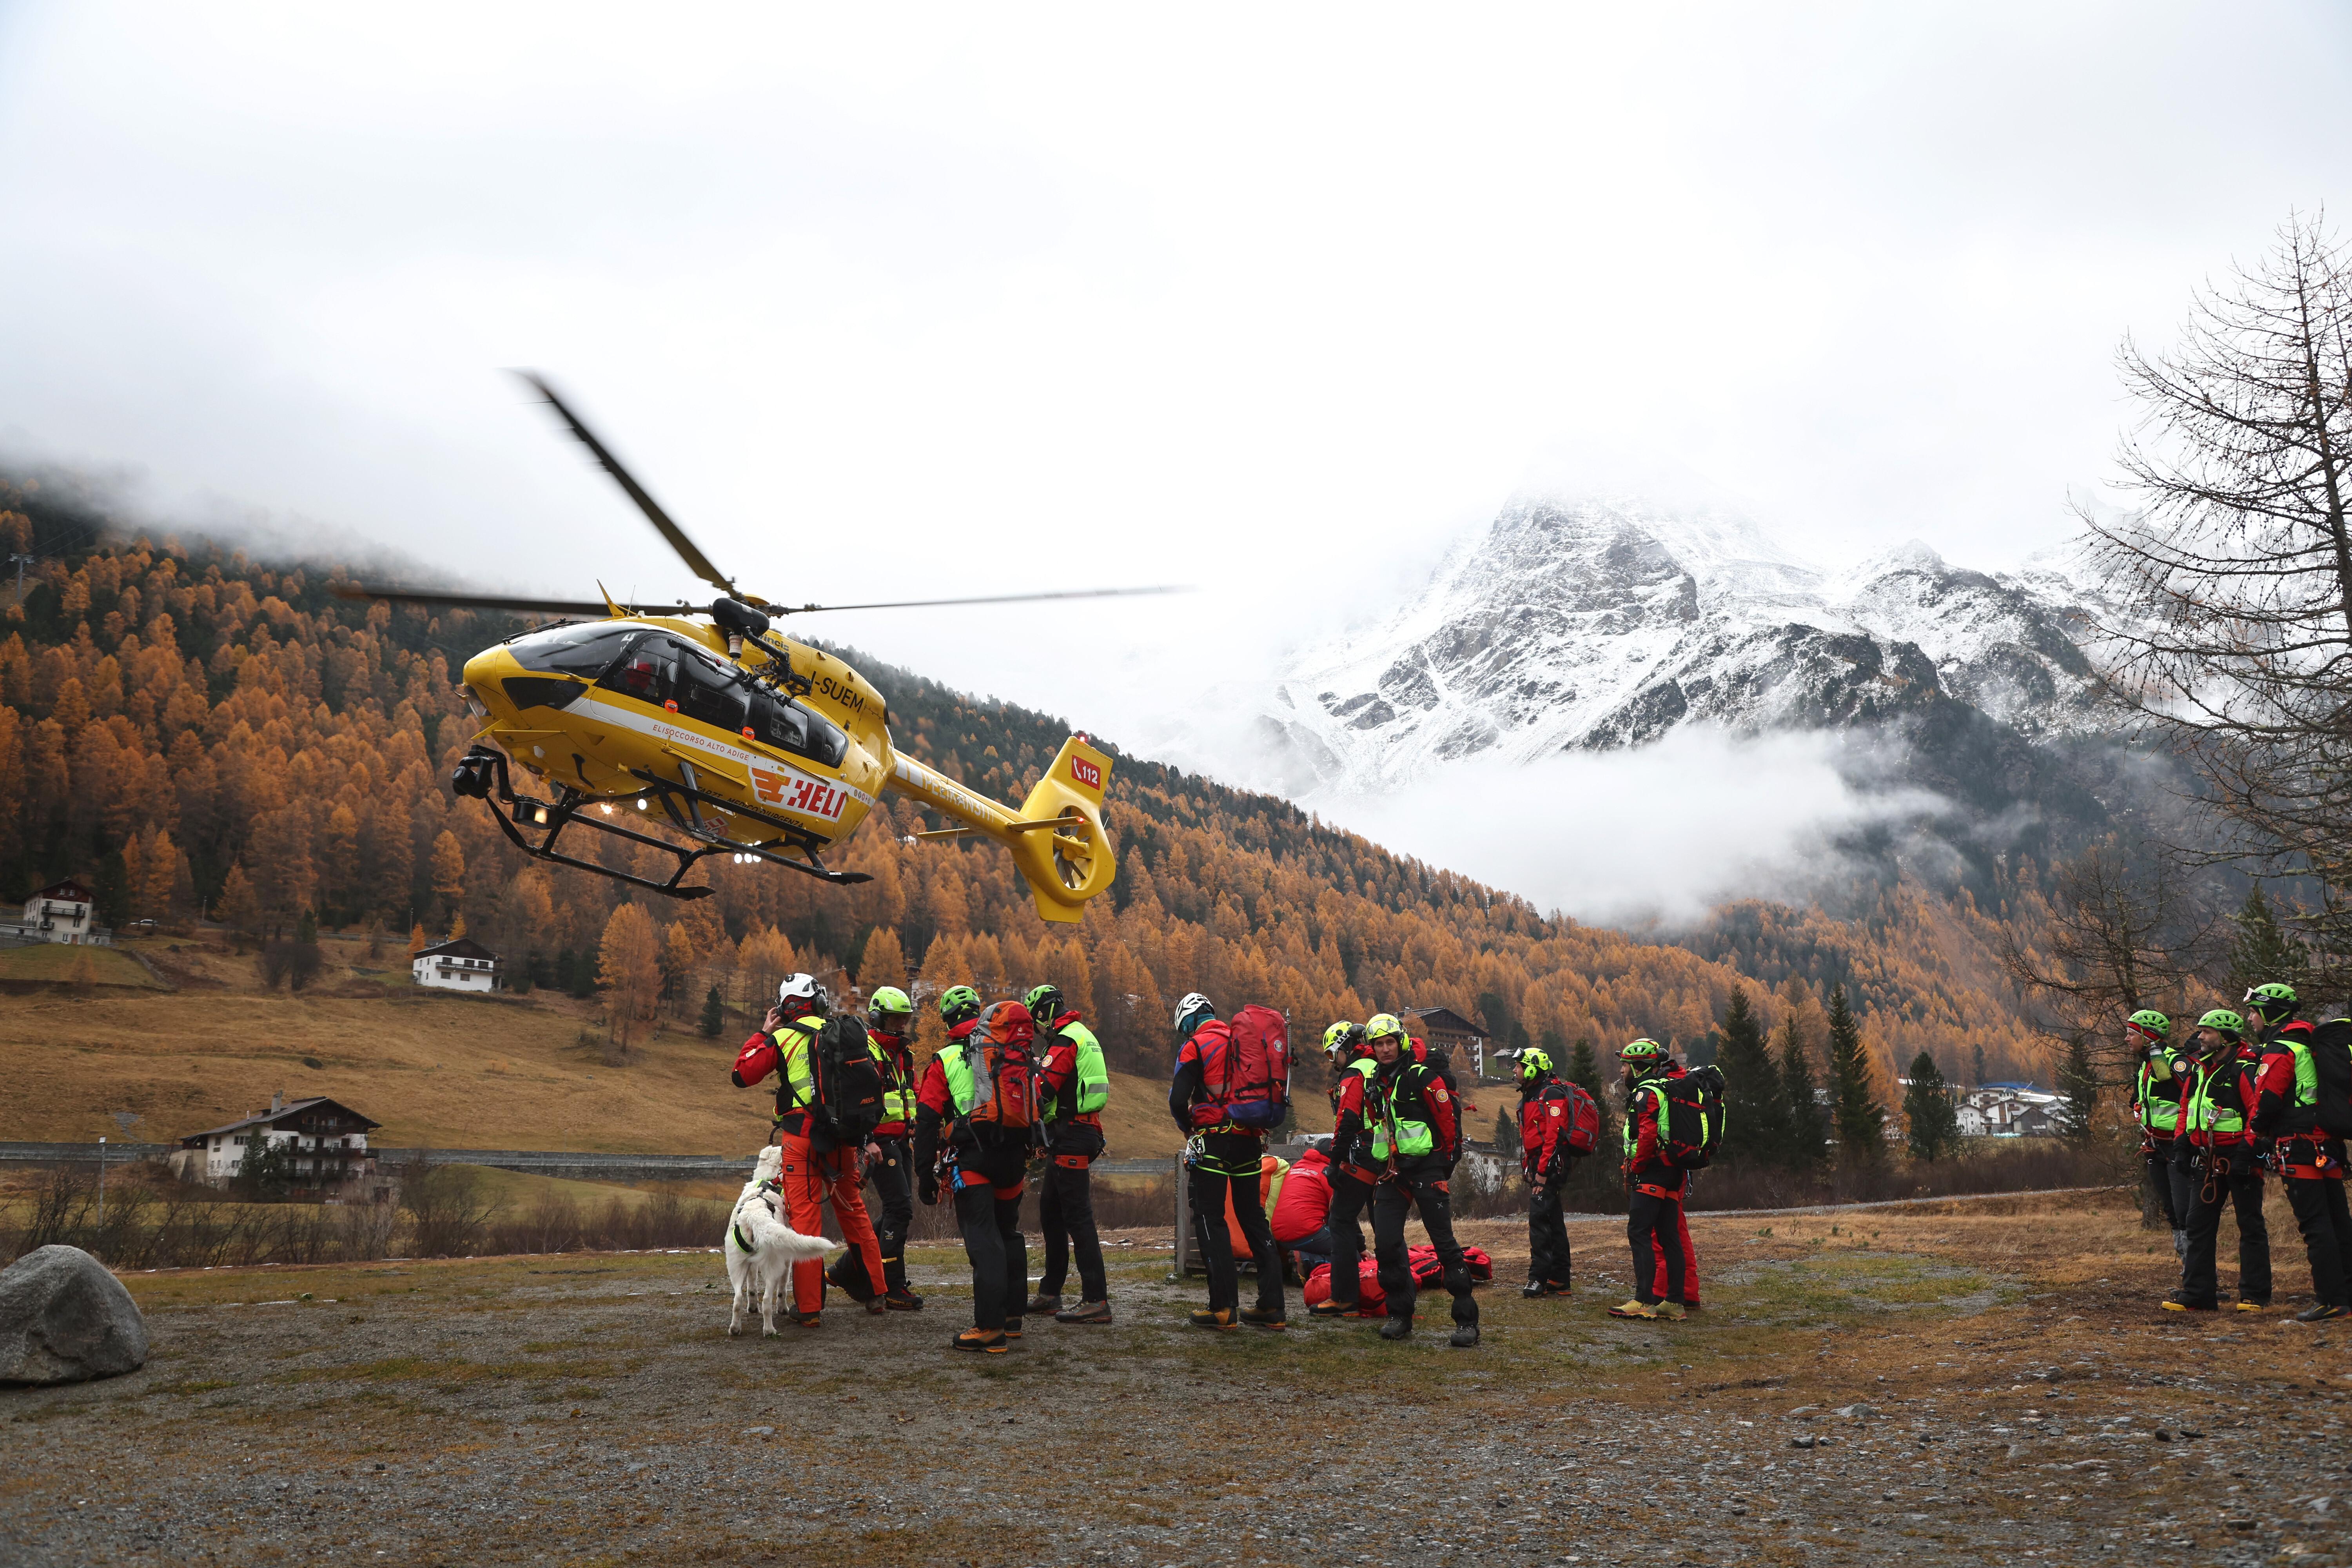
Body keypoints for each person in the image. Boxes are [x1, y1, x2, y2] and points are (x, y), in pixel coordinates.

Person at [728, 973, 889, 1327]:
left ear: (786, 1008)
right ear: (819, 1002)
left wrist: (763, 1033)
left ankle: (810, 1309)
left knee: (804, 1221)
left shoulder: (782, 1038)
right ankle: (877, 1293)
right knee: (855, 1214)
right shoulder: (848, 1032)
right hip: (843, 1139)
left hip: (801, 1140)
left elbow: (742, 1075)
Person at [913, 990, 1037, 1352]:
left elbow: (927, 1121)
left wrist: (924, 1174)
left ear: (947, 1020)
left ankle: (989, 1327)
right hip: (1013, 1154)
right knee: (1009, 1232)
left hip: (973, 1159)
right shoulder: (1011, 1051)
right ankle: (1012, 1318)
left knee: (984, 1239)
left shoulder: (946, 1059)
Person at [1357, 1012, 1479, 1346]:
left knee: (1445, 1246)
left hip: (1427, 1169)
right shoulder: (1375, 1083)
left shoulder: (1421, 1076)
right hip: (1391, 1172)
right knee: (1386, 1245)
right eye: (1379, 1045)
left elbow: (1448, 1123)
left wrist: (1444, 1165)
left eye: (1390, 1043)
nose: (1385, 1049)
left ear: (1401, 1043)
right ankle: (1399, 1315)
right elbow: (1376, 1124)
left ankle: (1466, 1321)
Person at [1169, 991, 1286, 1330]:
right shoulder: (1241, 1040)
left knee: (1210, 1217)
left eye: (1184, 1028)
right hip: (1249, 1140)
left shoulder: (1196, 1045)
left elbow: (1178, 1100)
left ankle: (1223, 1308)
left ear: (1189, 1021)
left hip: (1214, 1141)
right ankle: (1272, 1307)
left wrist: (1188, 1127)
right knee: (1253, 1218)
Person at [2245, 983, 2352, 1322]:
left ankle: (2331, 1300)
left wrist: (2258, 1133)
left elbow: (2269, 1099)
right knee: (2339, 1222)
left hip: (2298, 1145)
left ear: (2269, 1013)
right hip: (2329, 1144)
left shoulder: (2281, 1048)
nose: (2250, 1019)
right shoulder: (2313, 1043)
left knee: (2315, 1225)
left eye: (2254, 1012)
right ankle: (2346, 1295)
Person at [2165, 1009, 2272, 1313]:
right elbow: (2186, 1108)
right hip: (2207, 1159)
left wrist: (2246, 1153)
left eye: (2207, 1032)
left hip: (2240, 1157)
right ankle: (2198, 1294)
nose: (2200, 1037)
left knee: (2250, 1224)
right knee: (2198, 1225)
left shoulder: (2243, 1069)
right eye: (2200, 1031)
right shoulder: (2199, 1069)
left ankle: (2255, 1295)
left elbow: (2257, 1113)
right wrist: (2181, 1144)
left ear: (2225, 1037)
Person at [1024, 981, 1113, 1325]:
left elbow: (1044, 1089)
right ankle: (1051, 1292)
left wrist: (1027, 1076)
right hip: (1078, 1131)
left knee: (1078, 1218)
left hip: (1072, 1134)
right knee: (1052, 1213)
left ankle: (1096, 1299)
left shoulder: (1064, 1041)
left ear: (1044, 1014)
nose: (1037, 1030)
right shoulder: (1084, 1034)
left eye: (1036, 1022)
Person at [1611, 1037, 1690, 1322]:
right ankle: (1674, 1303)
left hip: (1653, 1170)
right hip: (1672, 1170)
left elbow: (1647, 1134)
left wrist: (1636, 1166)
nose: (1622, 1070)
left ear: (1639, 1067)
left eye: (1625, 1065)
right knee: (1669, 1237)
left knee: (1639, 1232)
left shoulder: (1646, 1092)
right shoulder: (1666, 1088)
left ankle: (1644, 1300)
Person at [857, 984, 923, 1310]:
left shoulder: (901, 1053)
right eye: (896, 1018)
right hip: (881, 1142)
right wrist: (867, 1139)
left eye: (905, 1018)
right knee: (900, 1210)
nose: (902, 1024)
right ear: (877, 1017)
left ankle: (846, 1270)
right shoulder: (867, 1050)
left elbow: (912, 1091)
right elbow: (860, 1098)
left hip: (901, 1139)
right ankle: (892, 1285)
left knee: (896, 1209)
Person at [1312, 1025, 1384, 1318]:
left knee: (1340, 1220)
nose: (1333, 1062)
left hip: (1362, 1154)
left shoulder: (1354, 1073)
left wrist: (1334, 1161)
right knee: (1385, 1226)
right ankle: (1395, 1291)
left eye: (1333, 1054)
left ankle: (1344, 1298)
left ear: (1345, 1047)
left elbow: (1348, 1119)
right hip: (1385, 1154)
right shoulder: (1377, 1067)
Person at [1516, 1046, 1578, 1299]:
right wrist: (1528, 1166)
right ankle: (1560, 1279)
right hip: (1539, 1162)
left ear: (1532, 1069)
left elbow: (1554, 1135)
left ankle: (1538, 1279)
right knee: (1553, 1220)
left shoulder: (1551, 1094)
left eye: (1519, 1066)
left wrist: (1542, 1171)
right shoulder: (1531, 1095)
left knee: (1539, 1220)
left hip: (1552, 1163)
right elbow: (1530, 1135)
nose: (1515, 1070)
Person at [2128, 1009, 2186, 1258]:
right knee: (2171, 1210)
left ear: (2148, 1036)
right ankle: (2188, 1268)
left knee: (2184, 1210)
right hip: (2154, 1146)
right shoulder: (2145, 1065)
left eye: (2131, 1034)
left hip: (2177, 1145)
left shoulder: (2175, 1062)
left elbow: (2193, 1099)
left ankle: (2199, 1273)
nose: (2127, 1039)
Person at [1271, 1136, 1341, 1281]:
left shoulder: (1296, 1167)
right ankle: (1307, 1260)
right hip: (1307, 1233)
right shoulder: (1329, 1173)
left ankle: (1293, 1261)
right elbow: (1342, 1212)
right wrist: (1360, 1247)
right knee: (1350, 1253)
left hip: (1279, 1234)